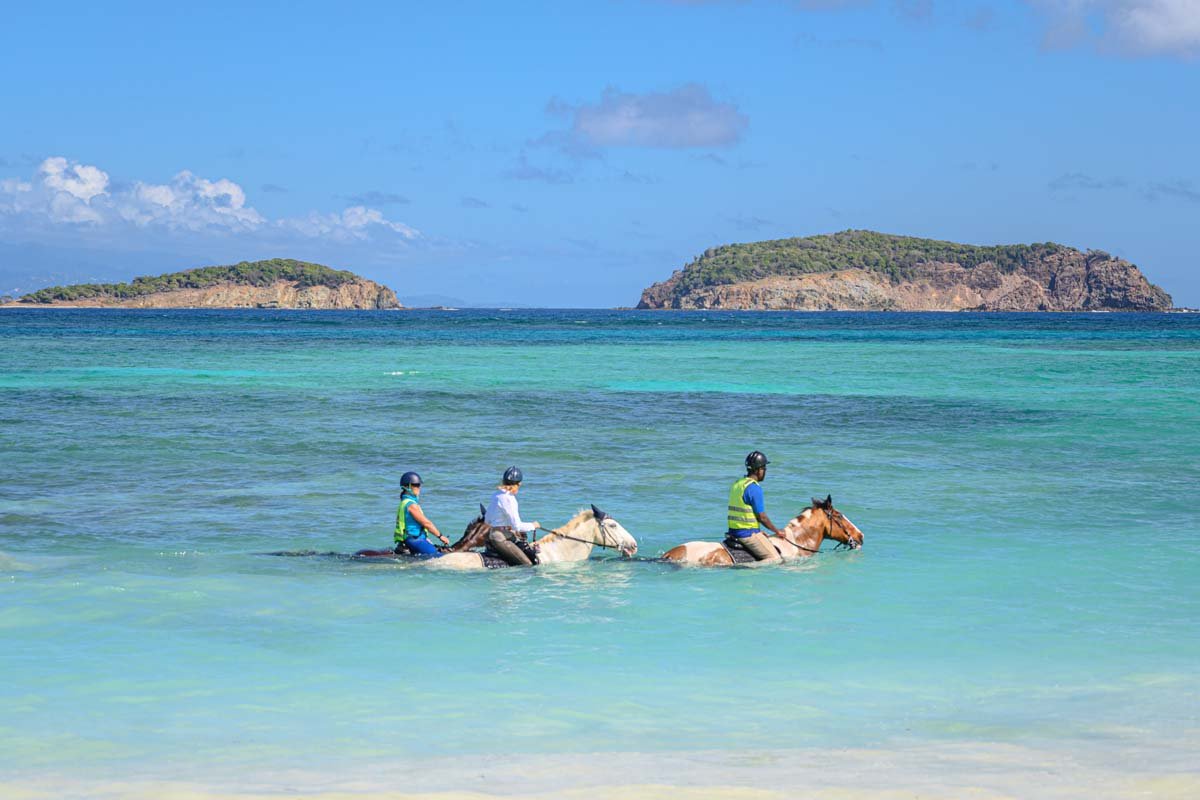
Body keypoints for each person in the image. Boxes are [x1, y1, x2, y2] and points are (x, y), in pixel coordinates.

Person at [726, 451, 783, 563]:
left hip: (733, 531)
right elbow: (762, 517)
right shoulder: (754, 488)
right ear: (758, 470)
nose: (765, 471)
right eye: (764, 468)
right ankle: (747, 567)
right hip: (746, 534)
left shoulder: (737, 484)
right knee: (775, 559)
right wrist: (777, 531)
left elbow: (746, 513)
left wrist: (758, 531)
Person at [484, 466, 540, 566]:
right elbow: (517, 526)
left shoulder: (496, 495)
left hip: (490, 535)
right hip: (500, 537)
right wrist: (533, 525)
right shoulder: (509, 499)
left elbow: (487, 520)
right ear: (518, 484)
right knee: (528, 564)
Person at [394, 471, 449, 557]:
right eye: (416, 485)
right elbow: (427, 523)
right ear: (408, 487)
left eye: (419, 485)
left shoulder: (404, 502)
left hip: (415, 538)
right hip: (415, 539)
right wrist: (441, 536)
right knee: (439, 557)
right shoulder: (411, 505)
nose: (419, 488)